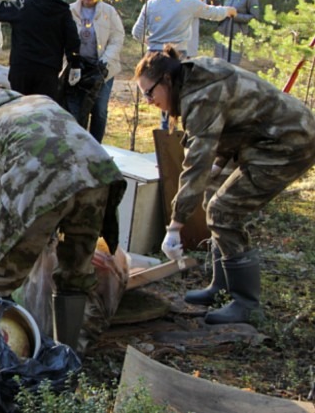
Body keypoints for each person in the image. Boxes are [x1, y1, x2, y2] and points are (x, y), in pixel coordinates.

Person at [134, 46, 315, 324]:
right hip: (265, 138)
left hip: (288, 142)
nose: (148, 100)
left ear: (166, 81)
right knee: (213, 195)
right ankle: (222, 285)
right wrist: (216, 169)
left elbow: (196, 163)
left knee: (223, 210)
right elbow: (230, 125)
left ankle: (246, 303)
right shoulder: (192, 76)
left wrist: (175, 226)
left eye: (149, 92)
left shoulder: (200, 95)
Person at [0, 85, 125, 352]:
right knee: (75, 271)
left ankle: (0, 359)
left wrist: (17, 243)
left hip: (38, 181)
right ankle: (68, 356)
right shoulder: (36, 98)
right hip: (97, 173)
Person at [132, 0, 236, 129]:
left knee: (162, 103)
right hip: (176, 59)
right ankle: (175, 142)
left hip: (152, 60)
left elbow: (137, 32)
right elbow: (212, 13)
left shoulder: (152, 3)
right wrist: (229, 11)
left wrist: (154, 43)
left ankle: (167, 138)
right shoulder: (187, 2)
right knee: (177, 101)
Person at [68, 0, 125, 142]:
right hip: (78, 68)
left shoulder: (108, 12)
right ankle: (78, 145)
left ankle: (97, 147)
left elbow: (117, 38)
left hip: (103, 69)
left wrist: (105, 61)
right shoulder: (70, 11)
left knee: (99, 110)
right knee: (76, 110)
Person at [214, 0, 260, 65]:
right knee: (217, 67)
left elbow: (255, 18)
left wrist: (236, 16)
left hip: (236, 38)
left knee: (231, 69)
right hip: (221, 37)